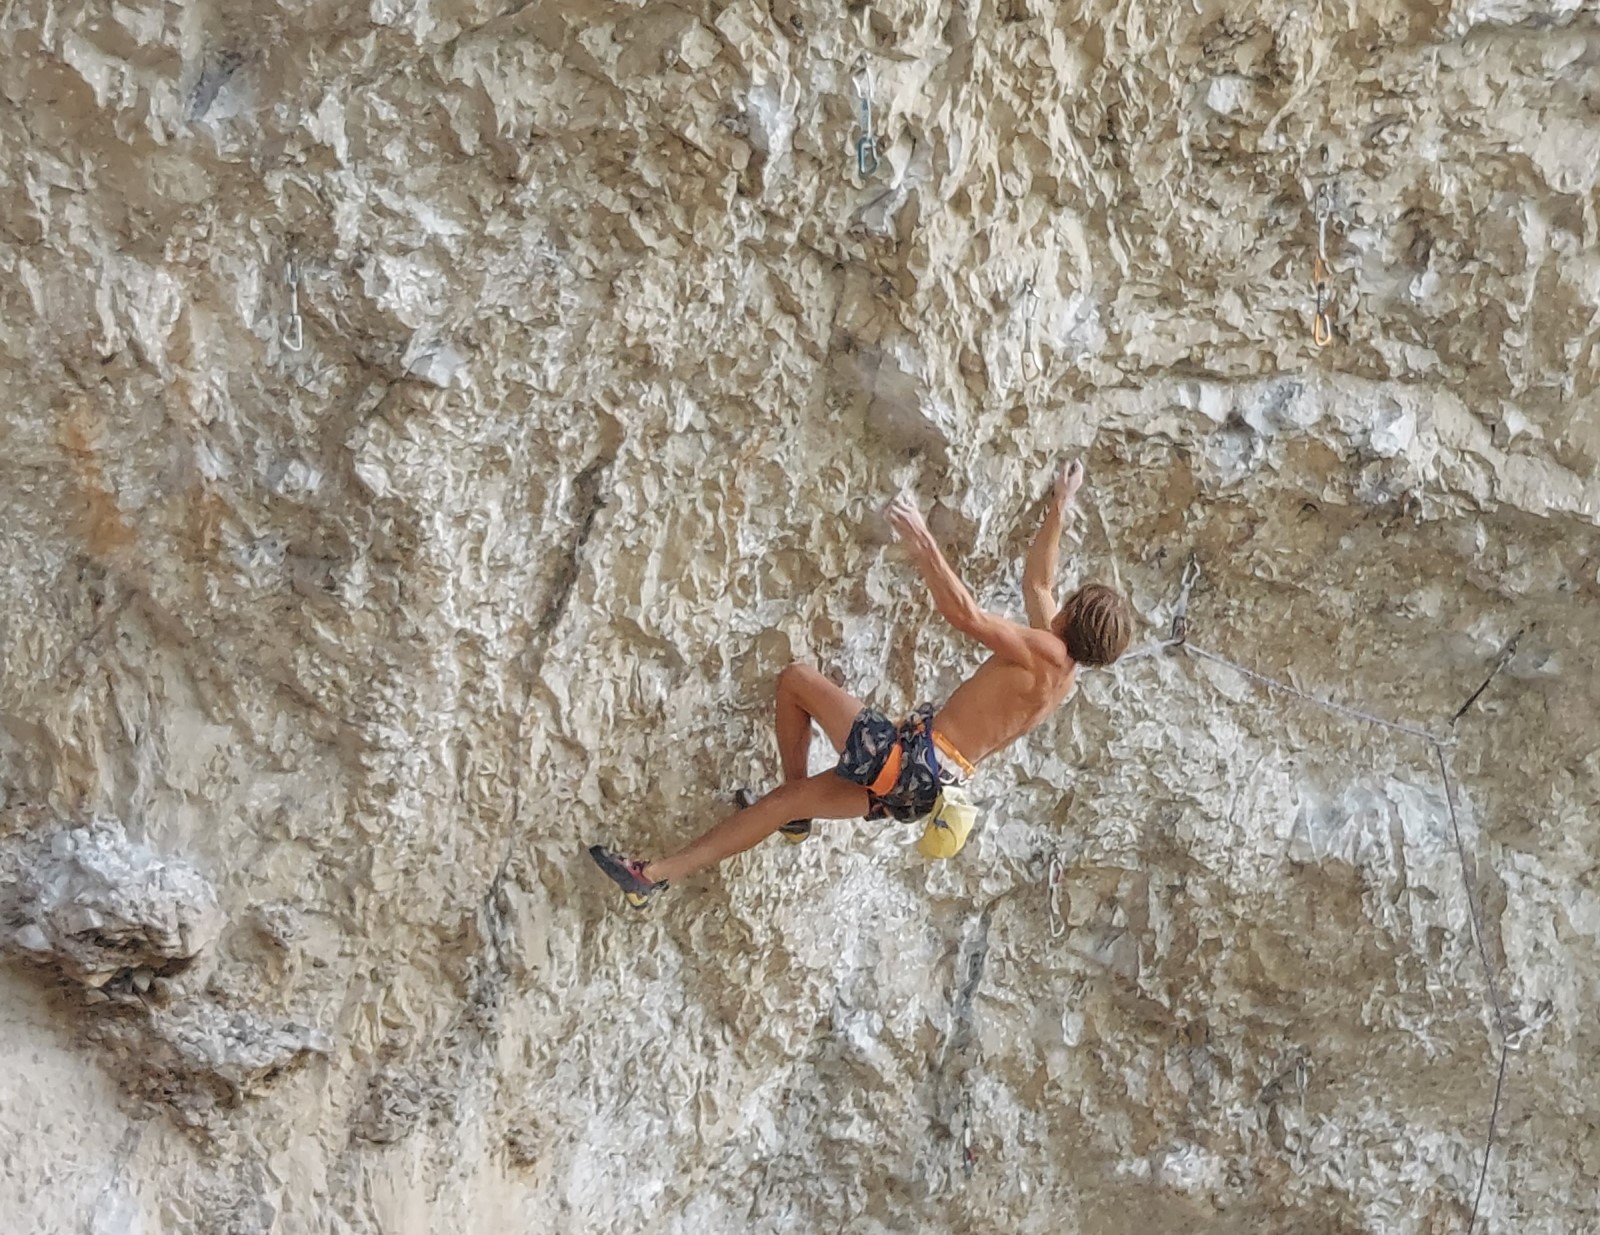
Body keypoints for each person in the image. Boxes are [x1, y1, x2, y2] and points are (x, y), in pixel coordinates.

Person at [588, 459, 1133, 906]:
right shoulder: (1062, 676)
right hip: (921, 789)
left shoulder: (1044, 650)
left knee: (797, 680)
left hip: (906, 757)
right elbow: (1039, 579)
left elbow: (967, 615)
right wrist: (1060, 504)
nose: (1057, 604)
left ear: (1074, 617)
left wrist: (924, 543)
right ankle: (652, 874)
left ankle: (785, 812)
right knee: (783, 801)